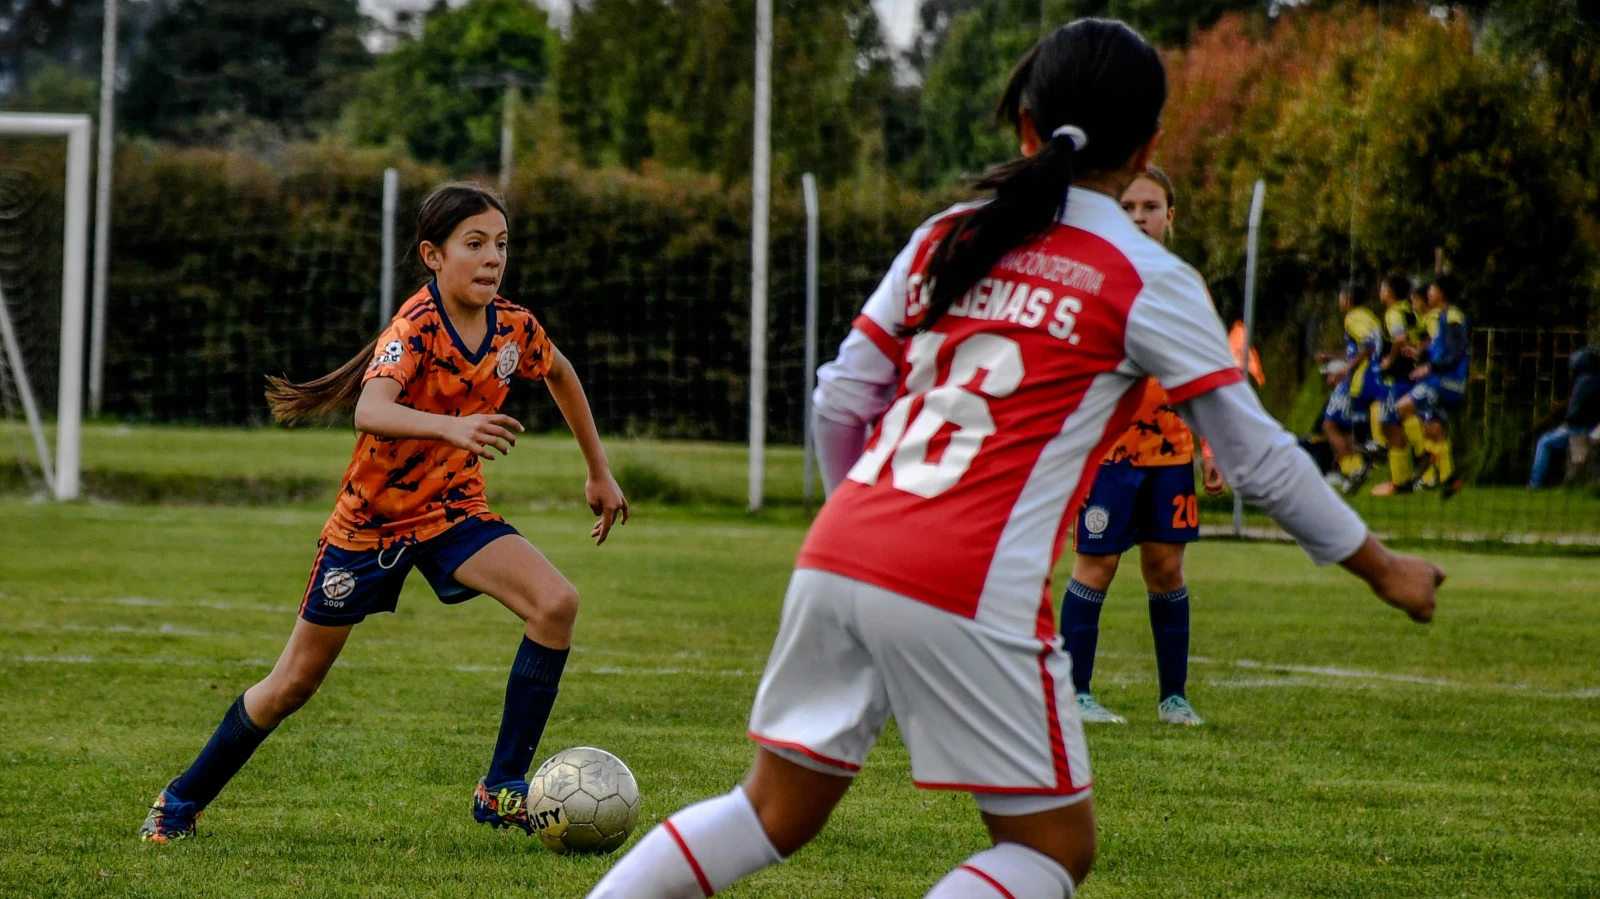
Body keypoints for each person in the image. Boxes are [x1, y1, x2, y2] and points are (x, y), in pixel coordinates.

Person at [586, 20, 1439, 899]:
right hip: (965, 576)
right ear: (1148, 144)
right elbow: (1258, 455)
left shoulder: (950, 233)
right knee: (1049, 848)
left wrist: (868, 521)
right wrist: (1384, 568)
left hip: (842, 546)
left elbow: (841, 395)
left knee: (769, 810)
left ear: (1027, 129)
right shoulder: (1144, 274)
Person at [138, 183, 630, 843]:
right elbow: (371, 408)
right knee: (293, 683)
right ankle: (180, 799)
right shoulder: (415, 326)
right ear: (433, 254)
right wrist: (452, 429)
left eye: (501, 245)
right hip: (369, 528)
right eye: (474, 244)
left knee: (556, 603)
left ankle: (502, 785)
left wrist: (598, 471)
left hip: (454, 513)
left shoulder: (515, 327)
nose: (492, 259)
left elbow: (561, 372)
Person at [1060, 165, 1226, 728]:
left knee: (1166, 568)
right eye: (1127, 208)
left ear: (1169, 216)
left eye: (1150, 208)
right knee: (1097, 563)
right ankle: (1075, 693)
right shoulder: (1093, 278)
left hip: (1172, 451)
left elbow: (1207, 372)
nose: (1138, 218)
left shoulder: (1187, 285)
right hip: (1109, 453)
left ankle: (1173, 698)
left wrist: (1212, 448)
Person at [1395, 275, 1470, 497]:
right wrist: (1420, 353)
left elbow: (1457, 350)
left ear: (1443, 293)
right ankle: (1449, 478)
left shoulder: (1453, 315)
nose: (1429, 293)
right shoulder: (1445, 317)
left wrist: (1431, 368)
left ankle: (1425, 455)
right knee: (1433, 428)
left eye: (1433, 289)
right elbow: (1443, 348)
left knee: (1402, 408)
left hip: (1444, 381)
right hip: (1443, 379)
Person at [1317, 283, 1385, 495]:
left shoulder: (1352, 318)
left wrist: (1345, 369)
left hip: (1357, 379)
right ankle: (1354, 470)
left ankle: (1353, 469)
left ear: (1347, 298)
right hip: (1371, 377)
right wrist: (1333, 356)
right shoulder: (1370, 317)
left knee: (1330, 425)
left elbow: (1367, 346)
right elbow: (1361, 348)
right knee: (1343, 427)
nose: (1340, 301)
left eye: (1341, 296)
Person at [1370, 273, 1424, 496]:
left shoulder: (1393, 313)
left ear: (1390, 292)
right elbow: (1425, 337)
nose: (1380, 292)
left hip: (1398, 377)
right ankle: (1404, 477)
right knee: (1400, 421)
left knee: (1389, 424)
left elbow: (1400, 339)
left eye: (1383, 288)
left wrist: (1389, 360)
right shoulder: (1412, 311)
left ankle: (1401, 482)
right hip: (1413, 374)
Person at [1529, 346, 1600, 487]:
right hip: (1591, 426)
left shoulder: (1584, 381)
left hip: (1579, 427)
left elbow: (1574, 413)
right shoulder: (1595, 379)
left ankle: (1535, 483)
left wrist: (1566, 423)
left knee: (1544, 441)